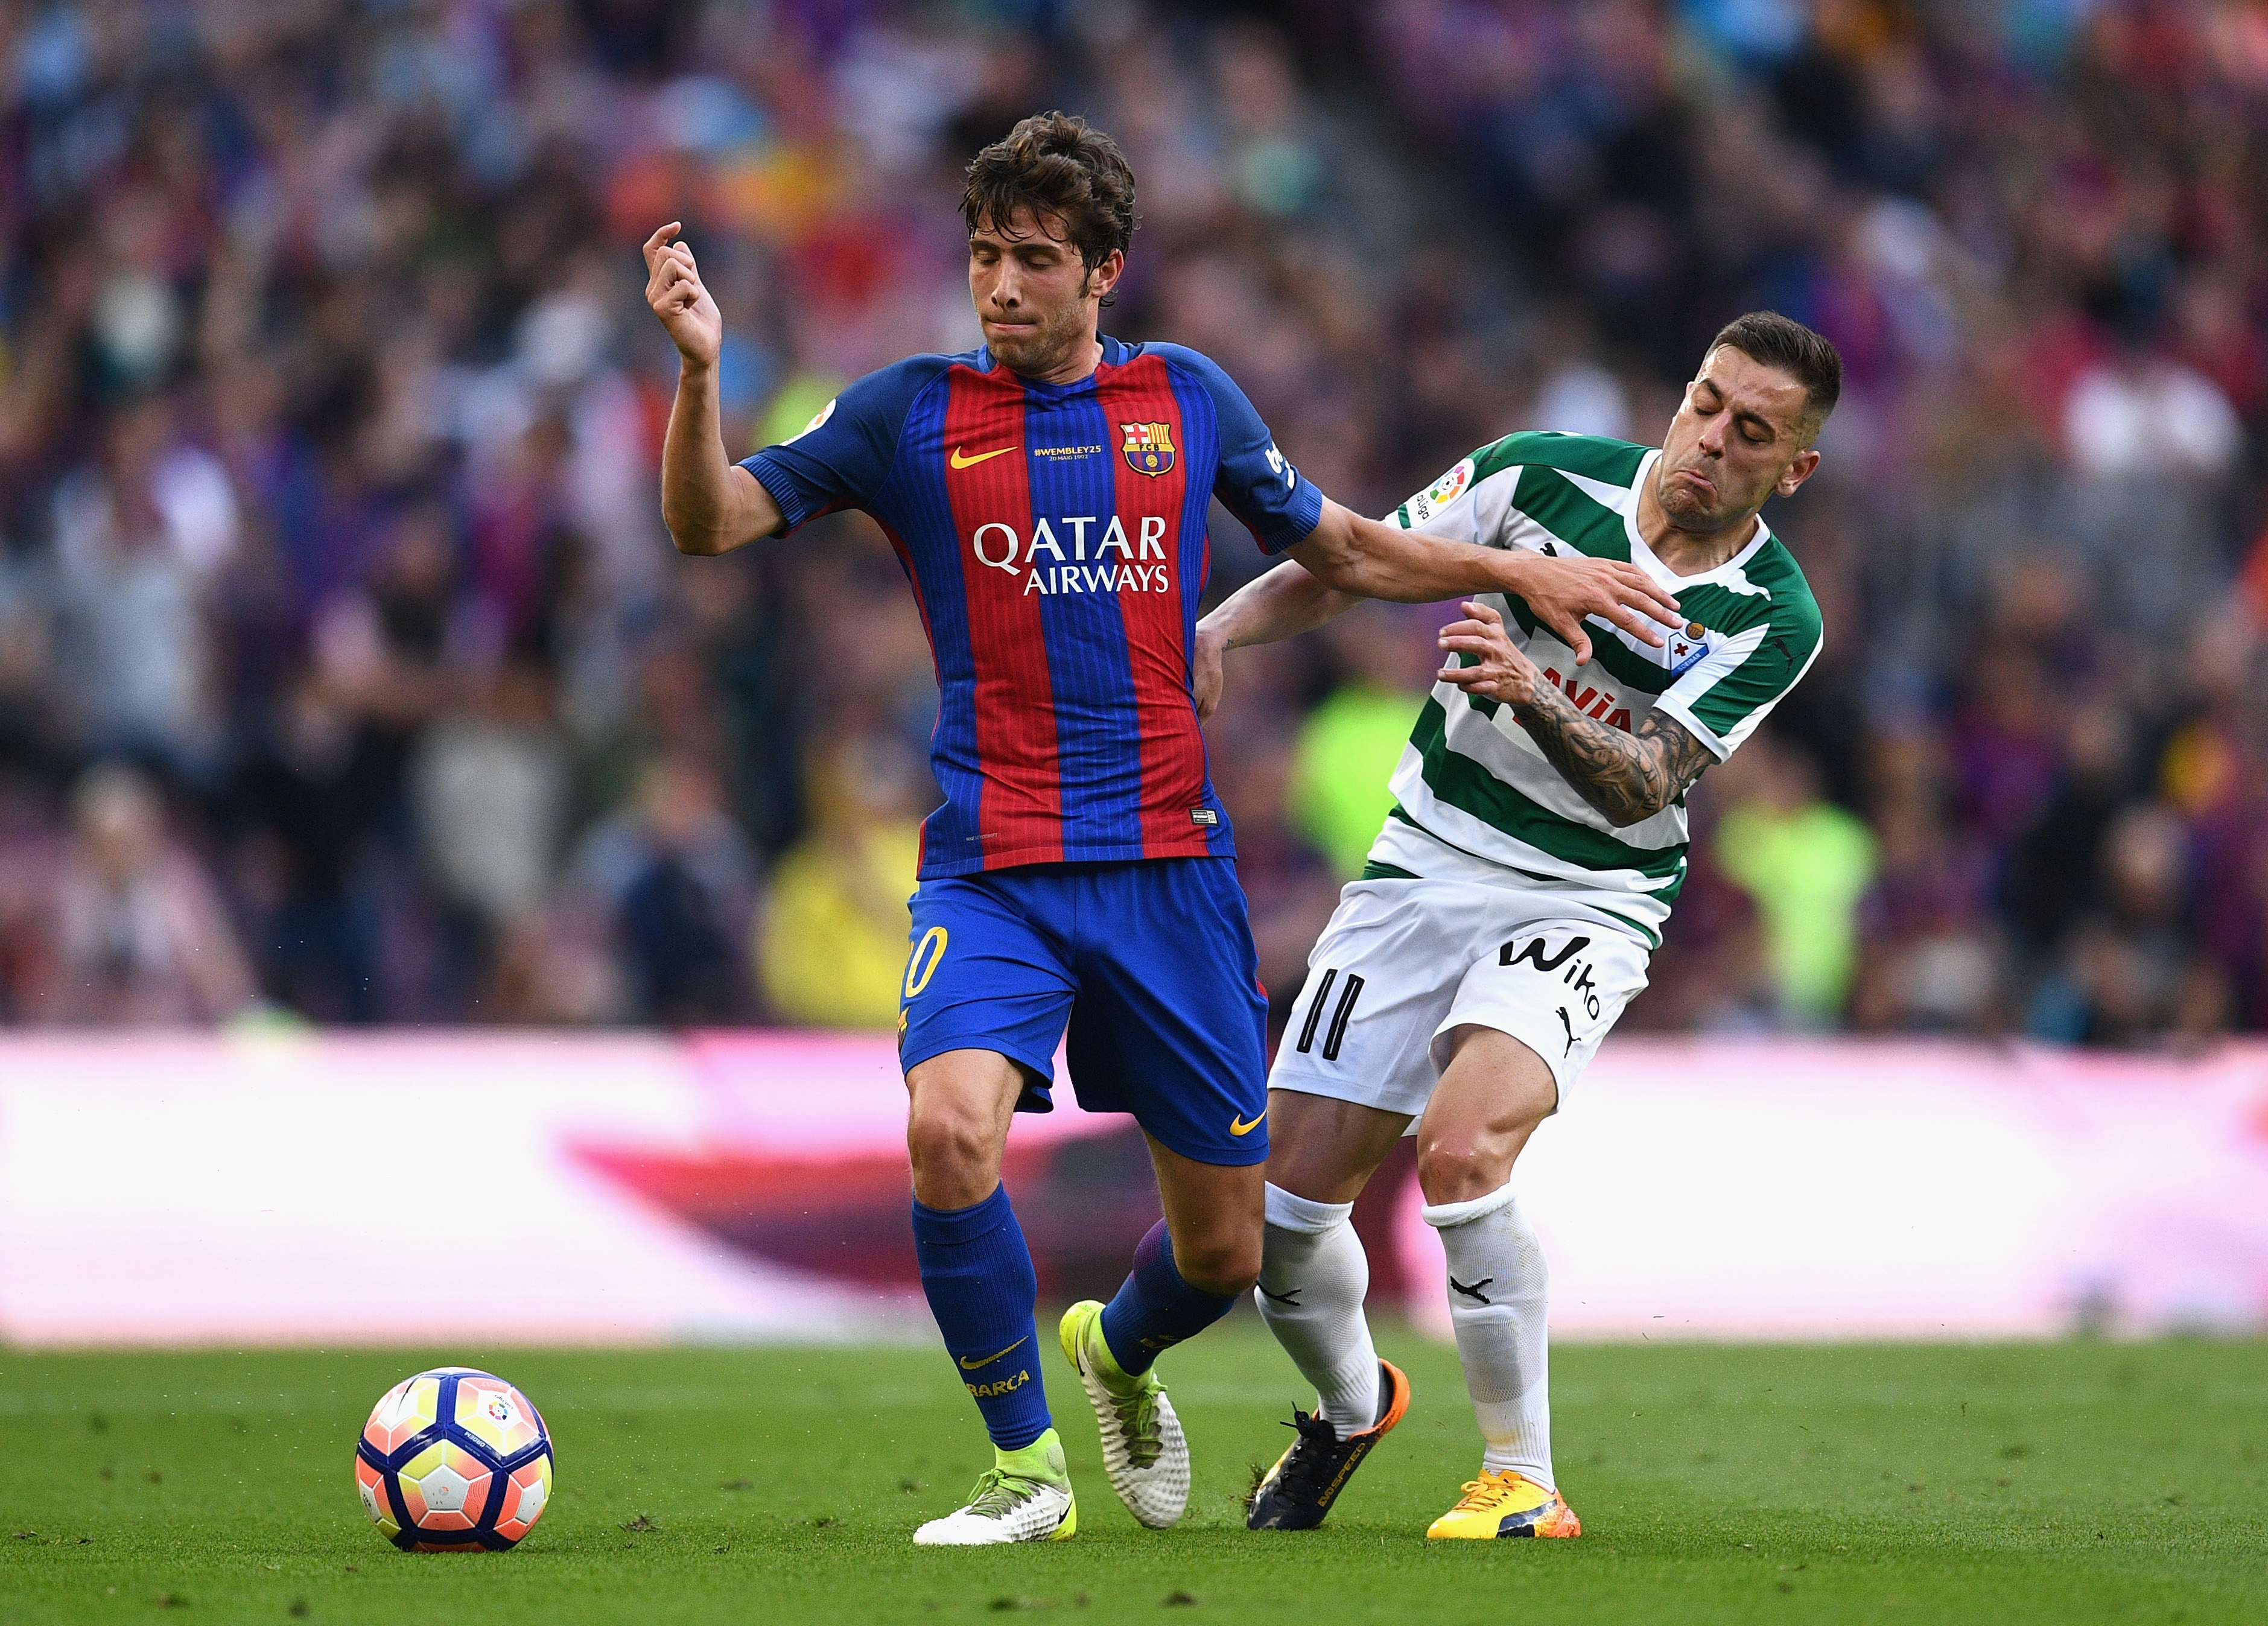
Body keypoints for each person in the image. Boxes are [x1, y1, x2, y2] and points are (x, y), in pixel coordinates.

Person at [644, 110, 1681, 1546]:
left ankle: (1118, 1356)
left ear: (1104, 271)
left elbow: (1347, 548)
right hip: (993, 870)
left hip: (1166, 874)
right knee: (950, 1136)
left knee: (1226, 1249)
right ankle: (1025, 1473)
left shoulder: (1184, 400)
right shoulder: (903, 412)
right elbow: (708, 526)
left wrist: (1517, 570)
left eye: (1035, 260)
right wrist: (700, 378)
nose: (1001, 287)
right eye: (985, 256)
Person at [1196, 312, 1837, 1540]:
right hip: (1422, 862)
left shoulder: (1772, 614)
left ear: (1792, 468)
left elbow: (1646, 779)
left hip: (1586, 895)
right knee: (1276, 1223)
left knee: (1460, 1149)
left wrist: (1533, 687)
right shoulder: (1536, 475)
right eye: (1704, 401)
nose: (1709, 439)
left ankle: (1520, 1480)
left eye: (1750, 431)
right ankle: (1347, 1407)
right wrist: (1221, 627)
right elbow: (1359, 559)